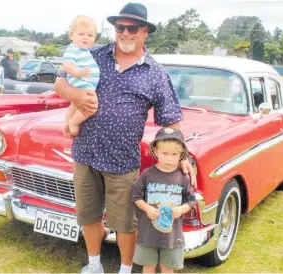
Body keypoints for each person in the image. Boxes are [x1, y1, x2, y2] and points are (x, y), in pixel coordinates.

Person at [53, 3, 196, 273]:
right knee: (89, 215)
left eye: (133, 28)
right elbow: (60, 83)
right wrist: (74, 100)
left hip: (122, 161)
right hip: (85, 153)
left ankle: (125, 269)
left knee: (124, 222)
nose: (126, 33)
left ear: (145, 32)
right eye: (121, 27)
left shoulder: (155, 73)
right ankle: (94, 264)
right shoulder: (92, 54)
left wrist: (182, 157)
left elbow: (171, 121)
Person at [132, 127, 196, 273]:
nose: (169, 158)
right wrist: (147, 208)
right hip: (148, 234)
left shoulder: (183, 177)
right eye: (164, 153)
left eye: (174, 154)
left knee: (167, 268)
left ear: (181, 155)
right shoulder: (147, 174)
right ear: (155, 151)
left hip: (172, 237)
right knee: (148, 266)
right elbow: (136, 197)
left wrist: (181, 209)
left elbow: (191, 201)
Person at [60, 15, 101, 137]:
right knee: (92, 106)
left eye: (90, 35)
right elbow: (66, 65)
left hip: (84, 82)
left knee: (74, 105)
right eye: (81, 34)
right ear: (72, 35)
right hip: (81, 82)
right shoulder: (73, 49)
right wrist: (78, 73)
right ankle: (74, 122)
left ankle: (67, 123)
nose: (85, 37)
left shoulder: (84, 51)